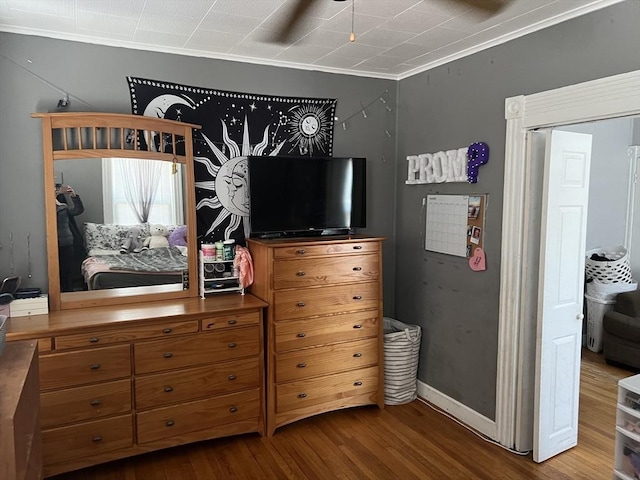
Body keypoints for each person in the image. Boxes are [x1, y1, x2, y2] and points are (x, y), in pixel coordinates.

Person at [55, 184, 84, 291]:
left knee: (66, 270)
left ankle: (67, 291)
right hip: (52, 242)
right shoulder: (45, 204)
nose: (56, 191)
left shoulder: (63, 206)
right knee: (55, 270)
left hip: (66, 242)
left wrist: (73, 195)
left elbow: (77, 210)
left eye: (57, 189)